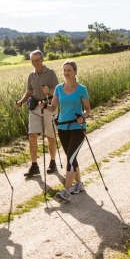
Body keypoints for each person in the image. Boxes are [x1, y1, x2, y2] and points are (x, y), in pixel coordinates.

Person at [45, 60, 91, 202]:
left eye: (69, 70)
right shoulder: (59, 88)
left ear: (75, 72)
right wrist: (43, 105)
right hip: (62, 128)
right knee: (72, 157)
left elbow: (88, 110)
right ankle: (79, 184)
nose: (66, 73)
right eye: (64, 70)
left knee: (70, 158)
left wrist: (82, 117)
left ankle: (66, 191)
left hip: (78, 128)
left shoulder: (81, 89)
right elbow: (52, 108)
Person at [14, 50, 60, 177]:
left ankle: (52, 162)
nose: (35, 63)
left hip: (48, 106)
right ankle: (34, 166)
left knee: (50, 136)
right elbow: (29, 92)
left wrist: (49, 91)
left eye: (37, 60)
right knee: (32, 135)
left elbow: (57, 91)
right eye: (32, 61)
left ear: (42, 60)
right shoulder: (31, 75)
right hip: (34, 107)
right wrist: (21, 102)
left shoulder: (50, 73)